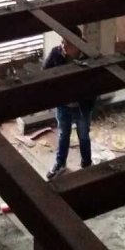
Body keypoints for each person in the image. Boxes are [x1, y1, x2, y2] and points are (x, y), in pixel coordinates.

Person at [43, 26, 96, 180]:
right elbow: (44, 73)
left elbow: (97, 80)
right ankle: (60, 164)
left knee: (83, 136)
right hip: (63, 105)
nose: (64, 46)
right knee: (63, 135)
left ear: (78, 44)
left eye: (68, 44)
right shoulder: (56, 53)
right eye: (63, 42)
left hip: (83, 106)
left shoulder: (89, 55)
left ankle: (87, 163)